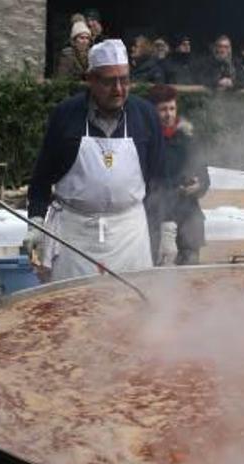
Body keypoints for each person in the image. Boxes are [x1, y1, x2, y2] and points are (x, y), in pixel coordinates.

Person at [25, 39, 164, 282]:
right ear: (90, 79)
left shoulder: (145, 115)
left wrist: (168, 228)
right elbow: (42, 176)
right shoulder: (66, 115)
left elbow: (161, 178)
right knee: (72, 310)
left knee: (131, 312)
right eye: (109, 81)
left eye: (125, 79)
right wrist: (36, 220)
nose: (119, 89)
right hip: (75, 236)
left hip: (130, 235)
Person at [148, 84, 209, 265]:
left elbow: (204, 175)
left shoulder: (187, 138)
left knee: (190, 279)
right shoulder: (147, 140)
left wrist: (199, 185)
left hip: (188, 218)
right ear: (153, 111)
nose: (169, 114)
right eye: (163, 109)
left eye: (172, 108)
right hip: (156, 218)